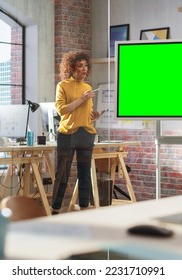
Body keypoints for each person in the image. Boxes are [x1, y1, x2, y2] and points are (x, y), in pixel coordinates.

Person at [51, 51, 104, 214]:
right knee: (62, 174)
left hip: (87, 134)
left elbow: (86, 113)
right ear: (71, 67)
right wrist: (82, 99)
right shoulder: (63, 85)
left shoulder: (87, 87)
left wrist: (94, 116)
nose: (84, 68)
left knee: (85, 173)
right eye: (80, 65)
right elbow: (61, 110)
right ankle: (55, 209)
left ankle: (84, 208)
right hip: (68, 134)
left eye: (86, 65)